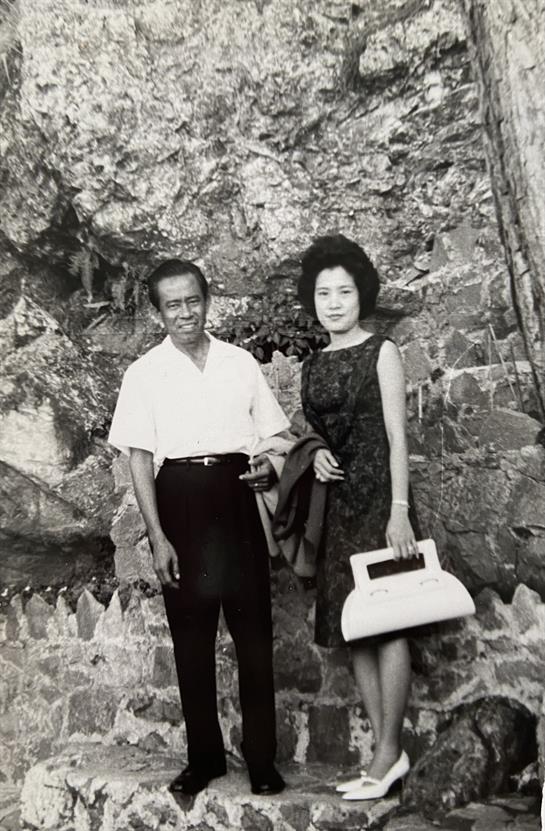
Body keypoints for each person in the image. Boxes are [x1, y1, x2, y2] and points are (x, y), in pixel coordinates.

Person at [108, 259, 289, 797]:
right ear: (158, 311)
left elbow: (275, 434)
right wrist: (158, 536)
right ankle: (204, 757)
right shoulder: (143, 373)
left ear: (208, 301)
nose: (185, 313)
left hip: (239, 496)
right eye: (173, 305)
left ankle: (262, 760)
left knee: (255, 635)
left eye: (193, 301)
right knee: (191, 638)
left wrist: (269, 464)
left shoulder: (239, 363)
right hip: (181, 500)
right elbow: (140, 460)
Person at [296, 234, 420, 801]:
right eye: (324, 293)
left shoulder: (382, 351)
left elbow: (398, 438)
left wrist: (400, 513)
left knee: (388, 622)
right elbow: (314, 431)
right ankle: (383, 755)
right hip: (337, 507)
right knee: (357, 629)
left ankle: (390, 751)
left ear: (360, 295)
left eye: (344, 291)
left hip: (377, 503)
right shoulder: (314, 362)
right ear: (313, 300)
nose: (334, 302)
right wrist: (315, 451)